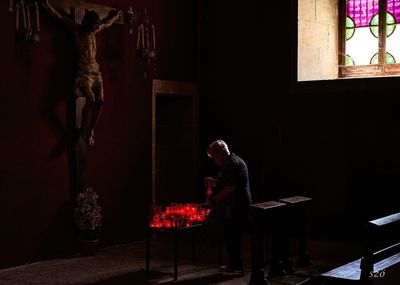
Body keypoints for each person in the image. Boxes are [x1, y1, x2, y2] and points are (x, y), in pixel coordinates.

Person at [43, 0, 123, 146]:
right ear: (87, 23)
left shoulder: (94, 30)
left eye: (95, 27)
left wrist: (115, 17)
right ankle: (83, 129)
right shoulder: (77, 30)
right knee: (91, 100)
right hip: (84, 72)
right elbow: (59, 17)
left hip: (95, 71)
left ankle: (91, 130)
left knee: (100, 102)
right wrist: (47, 5)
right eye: (93, 26)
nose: (94, 28)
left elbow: (106, 23)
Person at [205, 139, 253, 277]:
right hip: (231, 207)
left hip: (236, 207)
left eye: (214, 157)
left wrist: (214, 199)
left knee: (233, 237)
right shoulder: (229, 164)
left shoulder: (234, 164)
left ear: (220, 154)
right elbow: (227, 183)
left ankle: (237, 268)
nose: (214, 161)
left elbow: (231, 187)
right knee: (229, 236)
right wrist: (214, 182)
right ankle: (232, 265)